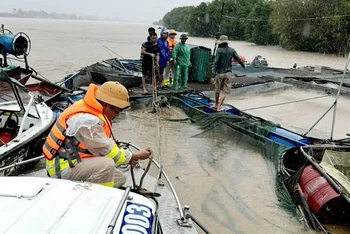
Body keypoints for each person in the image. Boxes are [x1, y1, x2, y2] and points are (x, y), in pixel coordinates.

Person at [43, 81, 152, 188]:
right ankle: (101, 199)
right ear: (107, 105)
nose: (117, 115)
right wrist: (133, 156)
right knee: (107, 164)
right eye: (117, 111)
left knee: (120, 179)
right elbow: (104, 149)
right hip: (62, 168)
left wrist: (127, 158)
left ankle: (88, 189)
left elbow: (102, 144)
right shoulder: (87, 120)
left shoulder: (92, 109)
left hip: (76, 161)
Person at [212, 35, 246, 111]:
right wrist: (243, 65)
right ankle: (219, 107)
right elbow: (238, 59)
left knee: (217, 90)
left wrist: (213, 74)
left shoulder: (219, 50)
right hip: (228, 73)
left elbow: (216, 62)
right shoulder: (232, 50)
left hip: (220, 73)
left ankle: (216, 104)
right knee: (224, 91)